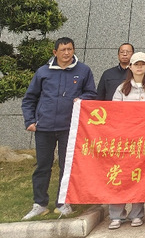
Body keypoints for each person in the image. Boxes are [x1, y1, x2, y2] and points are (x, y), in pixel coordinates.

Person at [21, 37, 96, 220]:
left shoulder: (83, 70)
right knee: (43, 166)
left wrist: (82, 99)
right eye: (63, 50)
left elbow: (91, 93)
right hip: (44, 127)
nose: (66, 53)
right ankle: (40, 204)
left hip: (69, 127)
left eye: (70, 49)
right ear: (55, 52)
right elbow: (30, 98)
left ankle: (63, 203)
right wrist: (30, 121)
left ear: (74, 50)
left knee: (67, 166)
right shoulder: (43, 71)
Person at [108, 52, 145, 229]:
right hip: (124, 139)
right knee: (119, 175)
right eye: (136, 64)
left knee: (138, 176)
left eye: (143, 64)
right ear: (130, 67)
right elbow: (114, 113)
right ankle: (116, 215)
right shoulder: (122, 88)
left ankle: (137, 214)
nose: (139, 67)